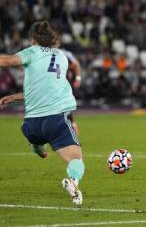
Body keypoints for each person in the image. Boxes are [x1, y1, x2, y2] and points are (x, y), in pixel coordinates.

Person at [0, 21, 85, 205]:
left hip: (30, 126)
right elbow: (49, 87)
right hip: (55, 121)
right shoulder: (62, 57)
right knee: (76, 159)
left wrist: (14, 97)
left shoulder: (32, 52)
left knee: (37, 140)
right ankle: (72, 181)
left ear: (33, 39)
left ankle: (38, 149)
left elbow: (7, 61)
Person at [62, 48, 82, 135]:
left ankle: (72, 125)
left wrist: (78, 79)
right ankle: (71, 125)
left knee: (66, 106)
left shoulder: (64, 53)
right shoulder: (45, 53)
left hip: (64, 84)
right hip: (53, 84)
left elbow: (75, 65)